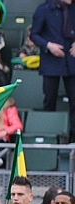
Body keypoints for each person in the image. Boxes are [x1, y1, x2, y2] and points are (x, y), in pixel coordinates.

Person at [31, 0, 75, 140]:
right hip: (51, 61)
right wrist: (49, 45)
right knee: (49, 100)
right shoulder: (44, 9)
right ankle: (49, 137)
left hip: (72, 60)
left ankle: (73, 138)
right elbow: (34, 34)